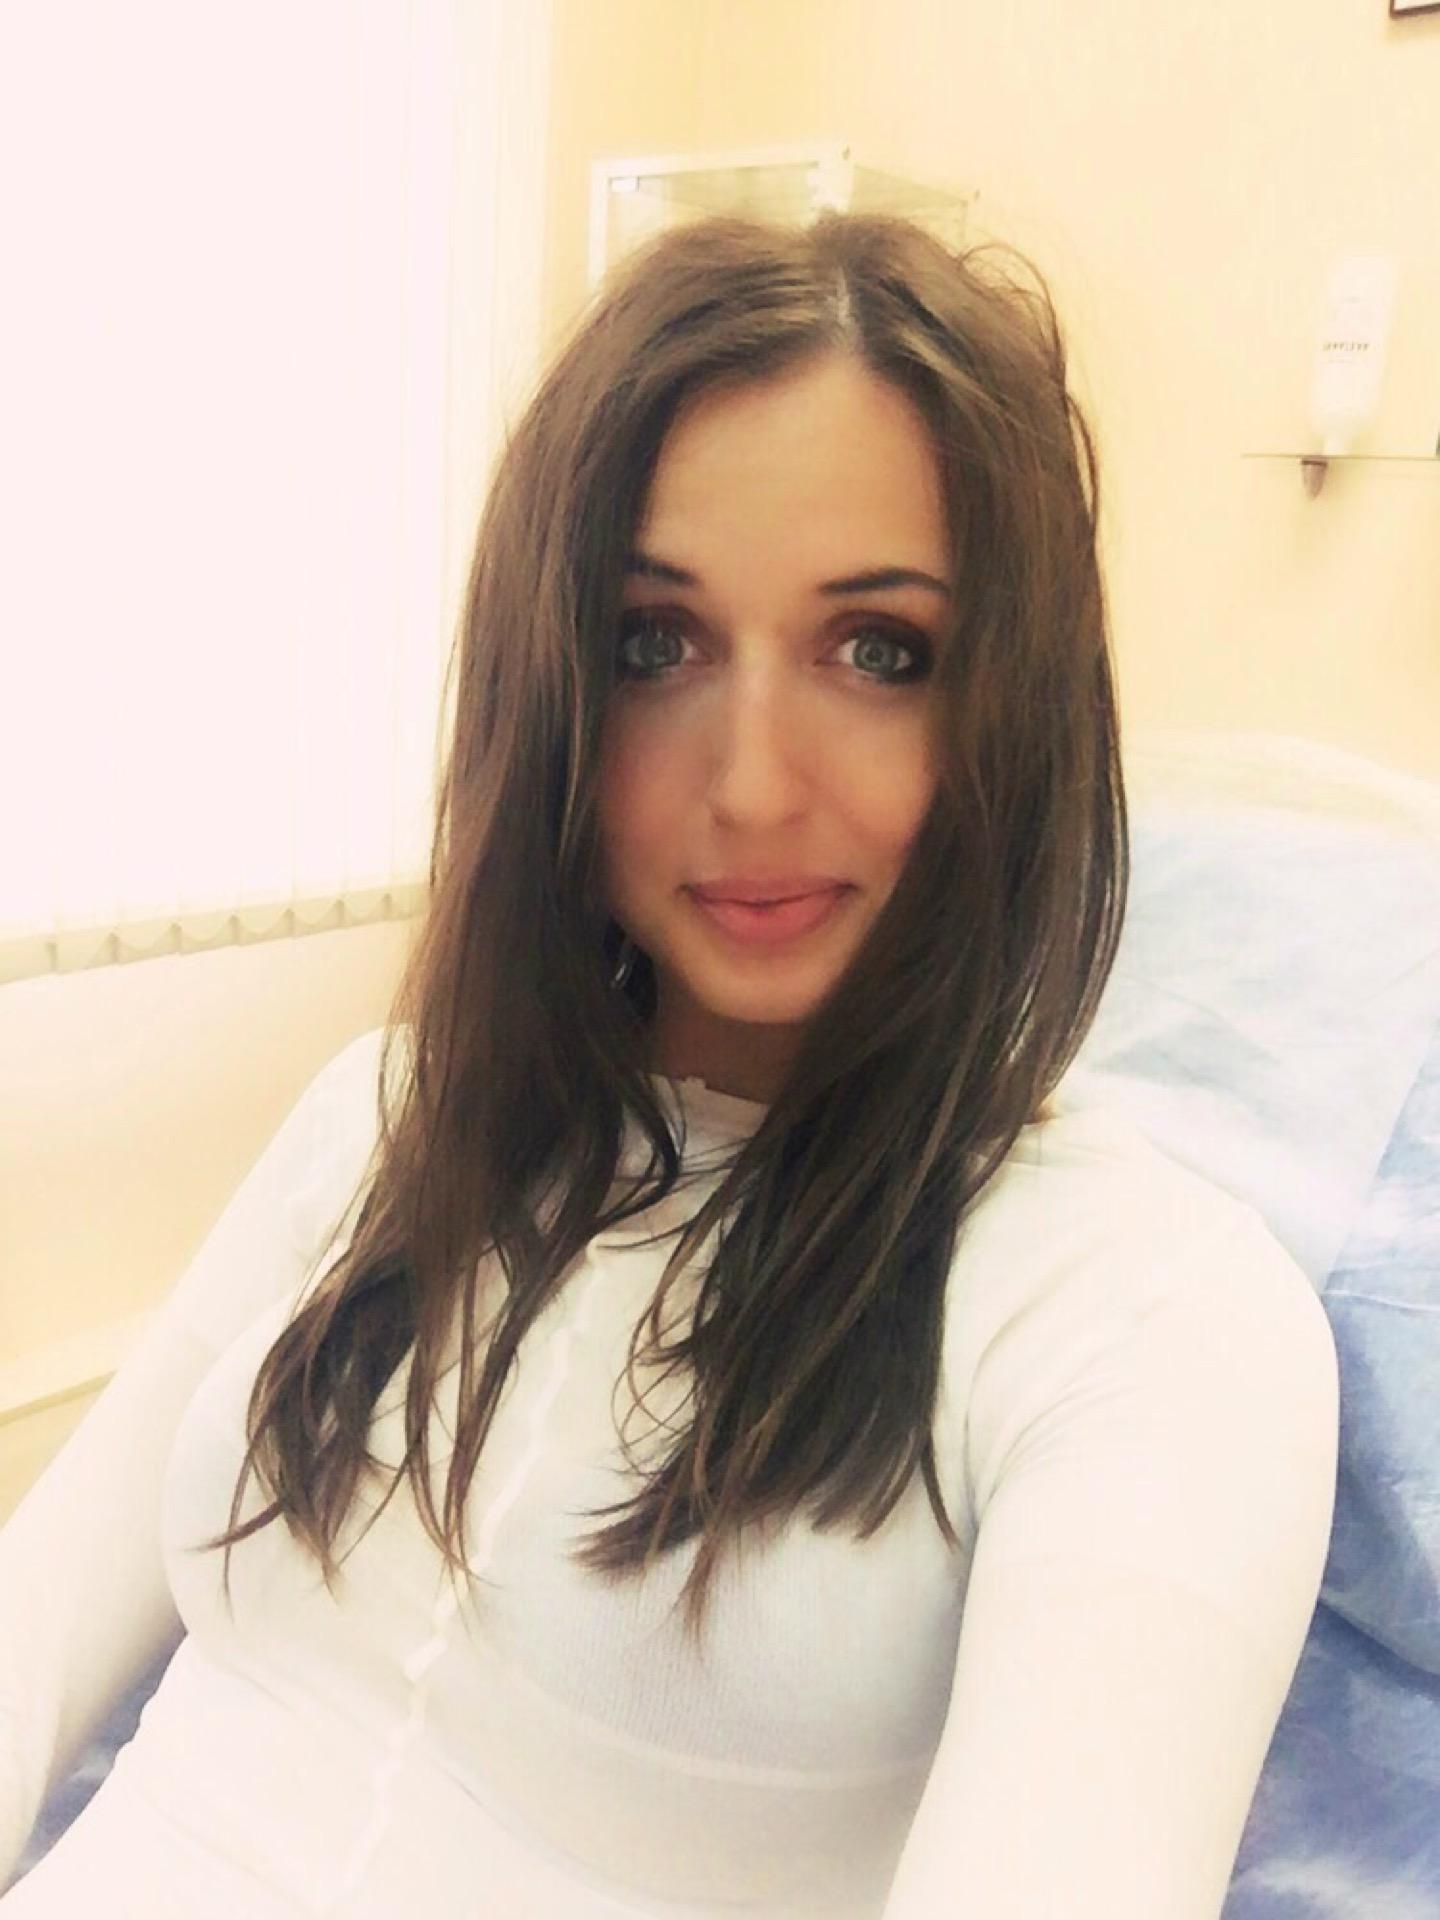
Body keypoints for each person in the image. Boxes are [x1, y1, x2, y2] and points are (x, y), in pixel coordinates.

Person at [0, 210, 1339, 1918]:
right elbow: (34, 1634)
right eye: (656, 643)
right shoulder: (388, 1116)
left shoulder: (1138, 1312)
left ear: (1012, 706)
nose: (756, 785)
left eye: (878, 652)